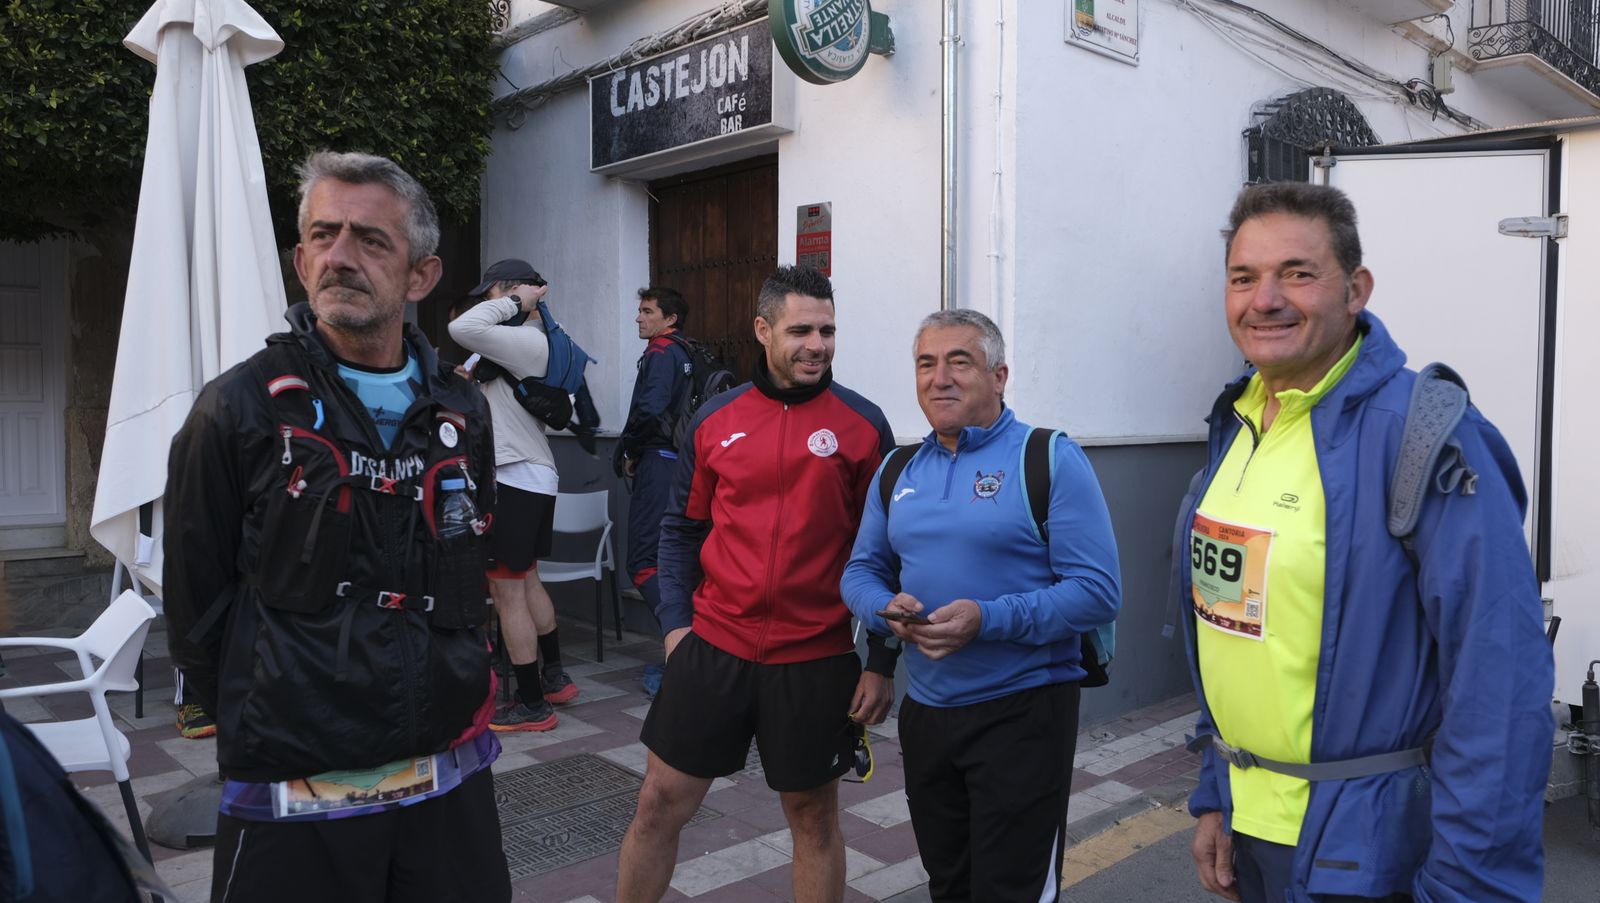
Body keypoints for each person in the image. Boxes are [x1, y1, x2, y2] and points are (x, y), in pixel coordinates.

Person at [1179, 182, 1552, 903]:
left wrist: (1473, 885)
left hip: (1369, 853)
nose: (1265, 299)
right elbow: (1233, 630)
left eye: (1297, 272)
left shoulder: (1428, 435)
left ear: (1356, 289)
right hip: (1253, 837)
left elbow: (1499, 686)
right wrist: (1216, 789)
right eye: (1244, 277)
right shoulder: (1239, 422)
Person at [163, 150, 511, 903]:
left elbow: (466, 556)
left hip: (445, 779)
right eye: (323, 235)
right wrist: (276, 703)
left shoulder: (464, 409)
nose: (340, 256)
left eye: (370, 240)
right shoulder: (238, 408)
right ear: (299, 258)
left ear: (420, 275)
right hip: (296, 790)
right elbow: (196, 606)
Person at [616, 265, 897, 903]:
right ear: (762, 330)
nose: (818, 344)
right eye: (801, 329)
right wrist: (676, 627)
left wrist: (880, 660)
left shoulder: (862, 425)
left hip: (815, 658)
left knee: (815, 821)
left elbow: (885, 553)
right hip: (712, 649)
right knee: (658, 804)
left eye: (827, 330)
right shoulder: (715, 419)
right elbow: (681, 532)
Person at [840, 308, 1122, 902]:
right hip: (929, 715)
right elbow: (863, 570)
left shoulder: (1047, 458)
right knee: (950, 884)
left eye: (958, 361)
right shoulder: (897, 469)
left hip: (1024, 713)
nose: (939, 378)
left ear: (999, 376)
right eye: (926, 364)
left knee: (1011, 892)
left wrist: (987, 619)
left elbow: (1098, 592)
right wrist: (882, 609)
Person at [449, 259, 580, 731]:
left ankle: (531, 705)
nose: (487, 302)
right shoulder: (517, 345)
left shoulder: (527, 337)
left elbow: (462, 327)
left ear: (513, 292)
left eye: (494, 293)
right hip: (528, 474)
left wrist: (519, 300)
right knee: (526, 581)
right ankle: (554, 680)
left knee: (506, 593)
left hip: (513, 477)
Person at [614, 286, 692, 698]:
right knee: (674, 560)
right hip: (680, 467)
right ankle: (684, 651)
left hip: (659, 465)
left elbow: (650, 407)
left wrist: (627, 447)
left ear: (669, 320)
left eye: (647, 311)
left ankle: (682, 650)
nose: (638, 318)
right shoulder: (684, 352)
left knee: (643, 561)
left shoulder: (662, 352)